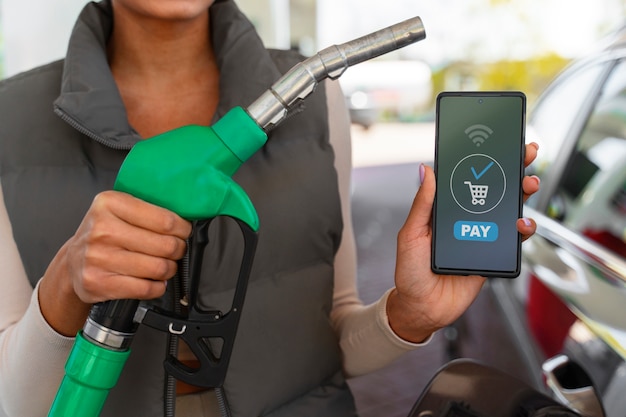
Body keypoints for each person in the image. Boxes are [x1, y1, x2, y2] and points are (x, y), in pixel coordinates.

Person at [0, 0, 541, 416]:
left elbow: (329, 341)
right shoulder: (8, 119)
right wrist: (65, 286)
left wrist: (408, 315)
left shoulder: (318, 101)